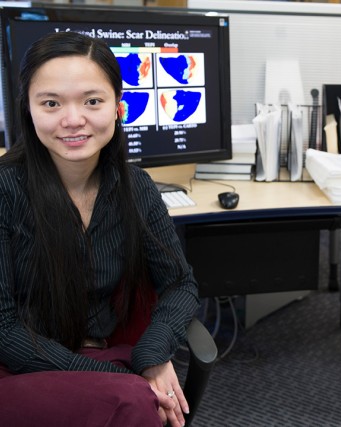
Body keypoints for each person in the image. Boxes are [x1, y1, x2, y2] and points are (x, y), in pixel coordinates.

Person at [0, 31, 200, 427]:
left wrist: (152, 357)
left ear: (118, 109)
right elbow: (2, 328)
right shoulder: (5, 191)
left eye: (92, 101)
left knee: (138, 398)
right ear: (29, 111)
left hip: (100, 356)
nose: (73, 120)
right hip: (14, 363)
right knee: (134, 403)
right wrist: (119, 378)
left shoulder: (135, 186)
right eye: (51, 103)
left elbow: (181, 284)